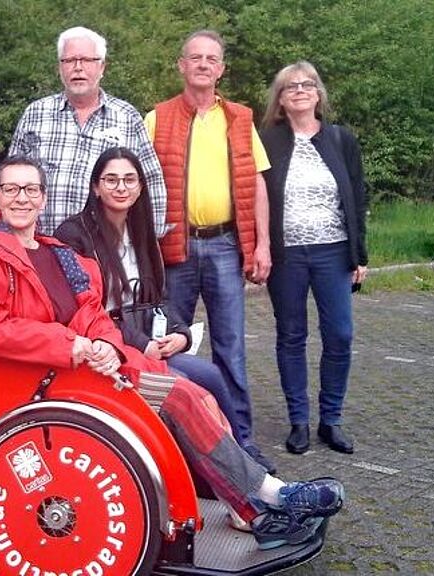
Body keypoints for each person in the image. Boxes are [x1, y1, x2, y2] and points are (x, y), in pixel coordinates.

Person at [0, 156, 344, 549]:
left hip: (82, 367)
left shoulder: (58, 253)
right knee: (179, 397)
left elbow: (91, 311)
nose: (22, 198)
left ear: (43, 198)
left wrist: (106, 343)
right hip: (43, 377)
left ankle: (251, 503)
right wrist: (70, 345)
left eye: (31, 189)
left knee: (196, 394)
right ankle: (268, 500)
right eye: (11, 189)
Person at [144, 30, 275, 473]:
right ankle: (171, 447)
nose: (203, 64)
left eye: (211, 58)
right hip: (173, 247)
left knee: (230, 349)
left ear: (221, 69)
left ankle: (241, 444)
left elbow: (257, 182)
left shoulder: (239, 118)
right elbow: (136, 186)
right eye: (194, 57)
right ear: (181, 65)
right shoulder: (156, 118)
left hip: (223, 244)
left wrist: (262, 245)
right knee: (168, 350)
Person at [56, 147, 239, 429]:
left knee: (212, 375)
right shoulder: (74, 235)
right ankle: (197, 467)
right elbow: (85, 309)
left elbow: (160, 300)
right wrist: (143, 345)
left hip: (147, 338)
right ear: (96, 187)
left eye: (129, 180)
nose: (121, 187)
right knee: (183, 384)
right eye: (111, 180)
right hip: (109, 344)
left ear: (140, 186)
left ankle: (243, 449)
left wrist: (181, 334)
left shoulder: (142, 231)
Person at [260, 62, 368, 455]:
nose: (300, 91)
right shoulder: (268, 140)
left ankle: (331, 420)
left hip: (334, 252)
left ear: (318, 94)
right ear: (281, 99)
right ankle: (298, 422)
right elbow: (255, 197)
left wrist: (360, 254)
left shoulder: (341, 140)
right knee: (291, 335)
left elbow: (357, 196)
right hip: (287, 255)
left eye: (307, 85)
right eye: (291, 87)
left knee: (340, 334)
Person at [9, 26, 165, 236]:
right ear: (59, 68)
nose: (78, 68)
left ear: (102, 67)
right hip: (40, 247)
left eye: (86, 60)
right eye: (70, 60)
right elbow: (10, 182)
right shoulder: (35, 114)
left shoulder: (127, 117)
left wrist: (148, 241)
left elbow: (151, 181)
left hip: (106, 251)